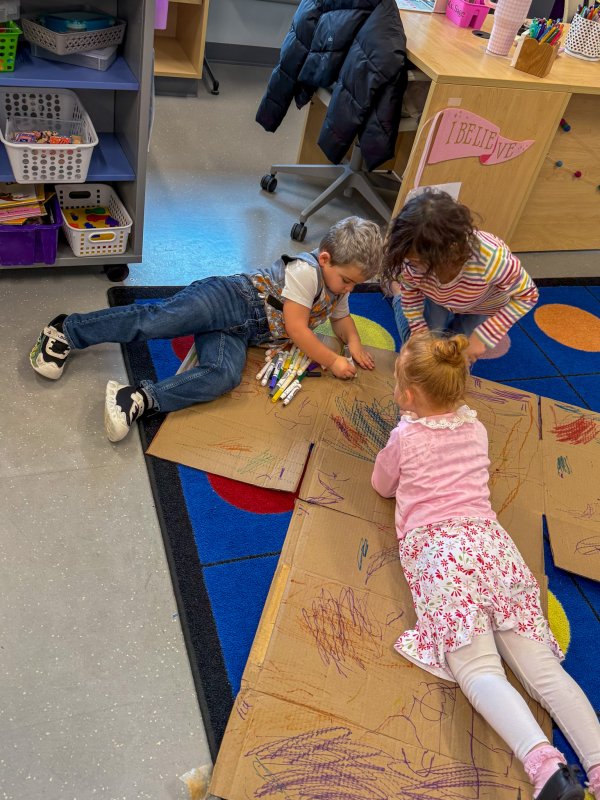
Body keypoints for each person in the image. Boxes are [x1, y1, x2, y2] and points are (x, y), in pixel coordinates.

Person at [371, 331, 600, 800]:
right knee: (543, 672)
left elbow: (382, 484)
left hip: (443, 557)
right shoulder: (477, 428)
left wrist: (397, 444)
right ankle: (597, 761)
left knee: (478, 670)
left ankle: (546, 768)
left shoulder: (405, 437)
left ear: (408, 395)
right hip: (493, 548)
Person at [30, 216, 381, 442]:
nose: (348, 289)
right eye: (347, 280)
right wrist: (333, 361)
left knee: (223, 376)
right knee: (159, 320)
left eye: (355, 285)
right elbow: (298, 329)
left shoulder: (338, 289)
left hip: (241, 333)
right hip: (228, 297)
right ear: (324, 259)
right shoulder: (307, 273)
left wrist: (353, 342)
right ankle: (67, 330)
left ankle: (138, 398)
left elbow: (341, 318)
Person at [381, 190, 539, 364]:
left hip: (482, 305)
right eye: (409, 261)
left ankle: (401, 293)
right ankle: (397, 290)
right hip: (438, 299)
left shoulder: (491, 260)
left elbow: (528, 295)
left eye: (419, 262)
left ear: (451, 251)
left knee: (458, 358)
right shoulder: (410, 256)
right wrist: (420, 332)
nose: (412, 266)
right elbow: (411, 293)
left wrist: (483, 336)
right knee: (421, 353)